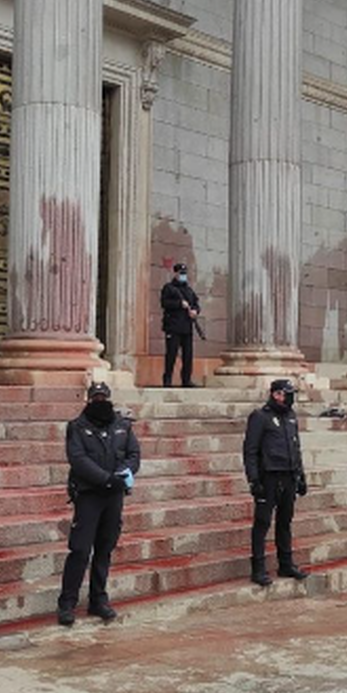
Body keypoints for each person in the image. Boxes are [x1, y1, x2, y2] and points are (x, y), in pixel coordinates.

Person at [57, 382, 141, 626]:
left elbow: (133, 455)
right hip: (89, 495)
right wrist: (106, 479)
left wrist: (123, 474)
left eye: (104, 397)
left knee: (105, 548)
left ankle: (98, 599)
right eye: (96, 397)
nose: (100, 401)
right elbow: (78, 459)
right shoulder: (77, 427)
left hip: (113, 497)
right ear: (89, 399)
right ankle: (67, 603)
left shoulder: (122, 426)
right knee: (81, 550)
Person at [243, 378, 309, 586]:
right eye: (287, 394)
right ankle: (258, 568)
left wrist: (301, 476)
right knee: (262, 523)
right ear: (276, 394)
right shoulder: (260, 417)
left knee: (285, 522)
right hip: (268, 477)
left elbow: (296, 448)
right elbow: (250, 451)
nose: (290, 398)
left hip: (288, 475)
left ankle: (286, 563)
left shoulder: (290, 417)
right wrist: (254, 480)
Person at [160, 262, 201, 387]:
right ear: (175, 273)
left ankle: (186, 380)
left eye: (184, 273)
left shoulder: (189, 290)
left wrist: (195, 311)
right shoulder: (169, 288)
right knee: (171, 355)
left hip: (187, 327)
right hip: (173, 327)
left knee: (187, 356)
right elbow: (164, 303)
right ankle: (167, 380)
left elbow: (196, 304)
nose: (183, 275)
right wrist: (179, 304)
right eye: (181, 273)